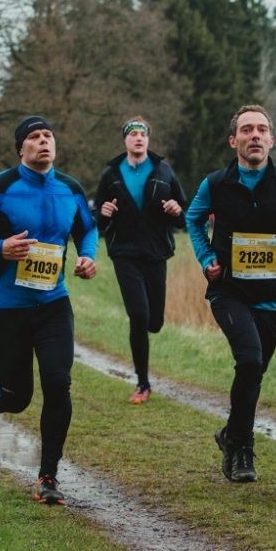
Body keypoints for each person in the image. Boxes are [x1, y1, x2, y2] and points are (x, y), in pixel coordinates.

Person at [0, 115, 98, 505]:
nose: (44, 141)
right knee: (17, 397)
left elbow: (88, 227)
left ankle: (47, 477)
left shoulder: (70, 188)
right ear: (21, 148)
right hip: (7, 306)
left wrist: (87, 256)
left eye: (48, 135)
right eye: (34, 137)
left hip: (53, 303)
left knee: (58, 382)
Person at [185, 104, 276, 482]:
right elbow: (192, 219)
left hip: (271, 296)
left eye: (262, 129)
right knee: (248, 361)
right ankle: (243, 452)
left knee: (255, 371)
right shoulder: (215, 184)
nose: (256, 135)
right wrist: (205, 256)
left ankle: (230, 434)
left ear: (271, 140)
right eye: (247, 130)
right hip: (228, 291)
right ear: (234, 141)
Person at [93, 116, 187, 404]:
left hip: (156, 252)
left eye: (142, 134)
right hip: (124, 252)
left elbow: (184, 212)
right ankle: (143, 384)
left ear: (148, 139)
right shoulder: (111, 174)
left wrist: (175, 209)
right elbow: (96, 218)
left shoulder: (164, 170)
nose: (138, 138)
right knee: (139, 315)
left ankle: (145, 331)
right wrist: (104, 214)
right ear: (125, 140)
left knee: (155, 321)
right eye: (132, 134)